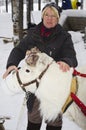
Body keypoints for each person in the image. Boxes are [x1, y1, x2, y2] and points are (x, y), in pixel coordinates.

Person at [3, 2, 78, 130]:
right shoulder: (33, 34)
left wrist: (66, 61)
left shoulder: (64, 37)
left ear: (58, 18)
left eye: (53, 16)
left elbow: (72, 57)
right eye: (46, 15)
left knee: (53, 122)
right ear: (42, 16)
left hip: (54, 89)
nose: (49, 18)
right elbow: (18, 50)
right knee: (33, 120)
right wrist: (11, 65)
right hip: (34, 88)